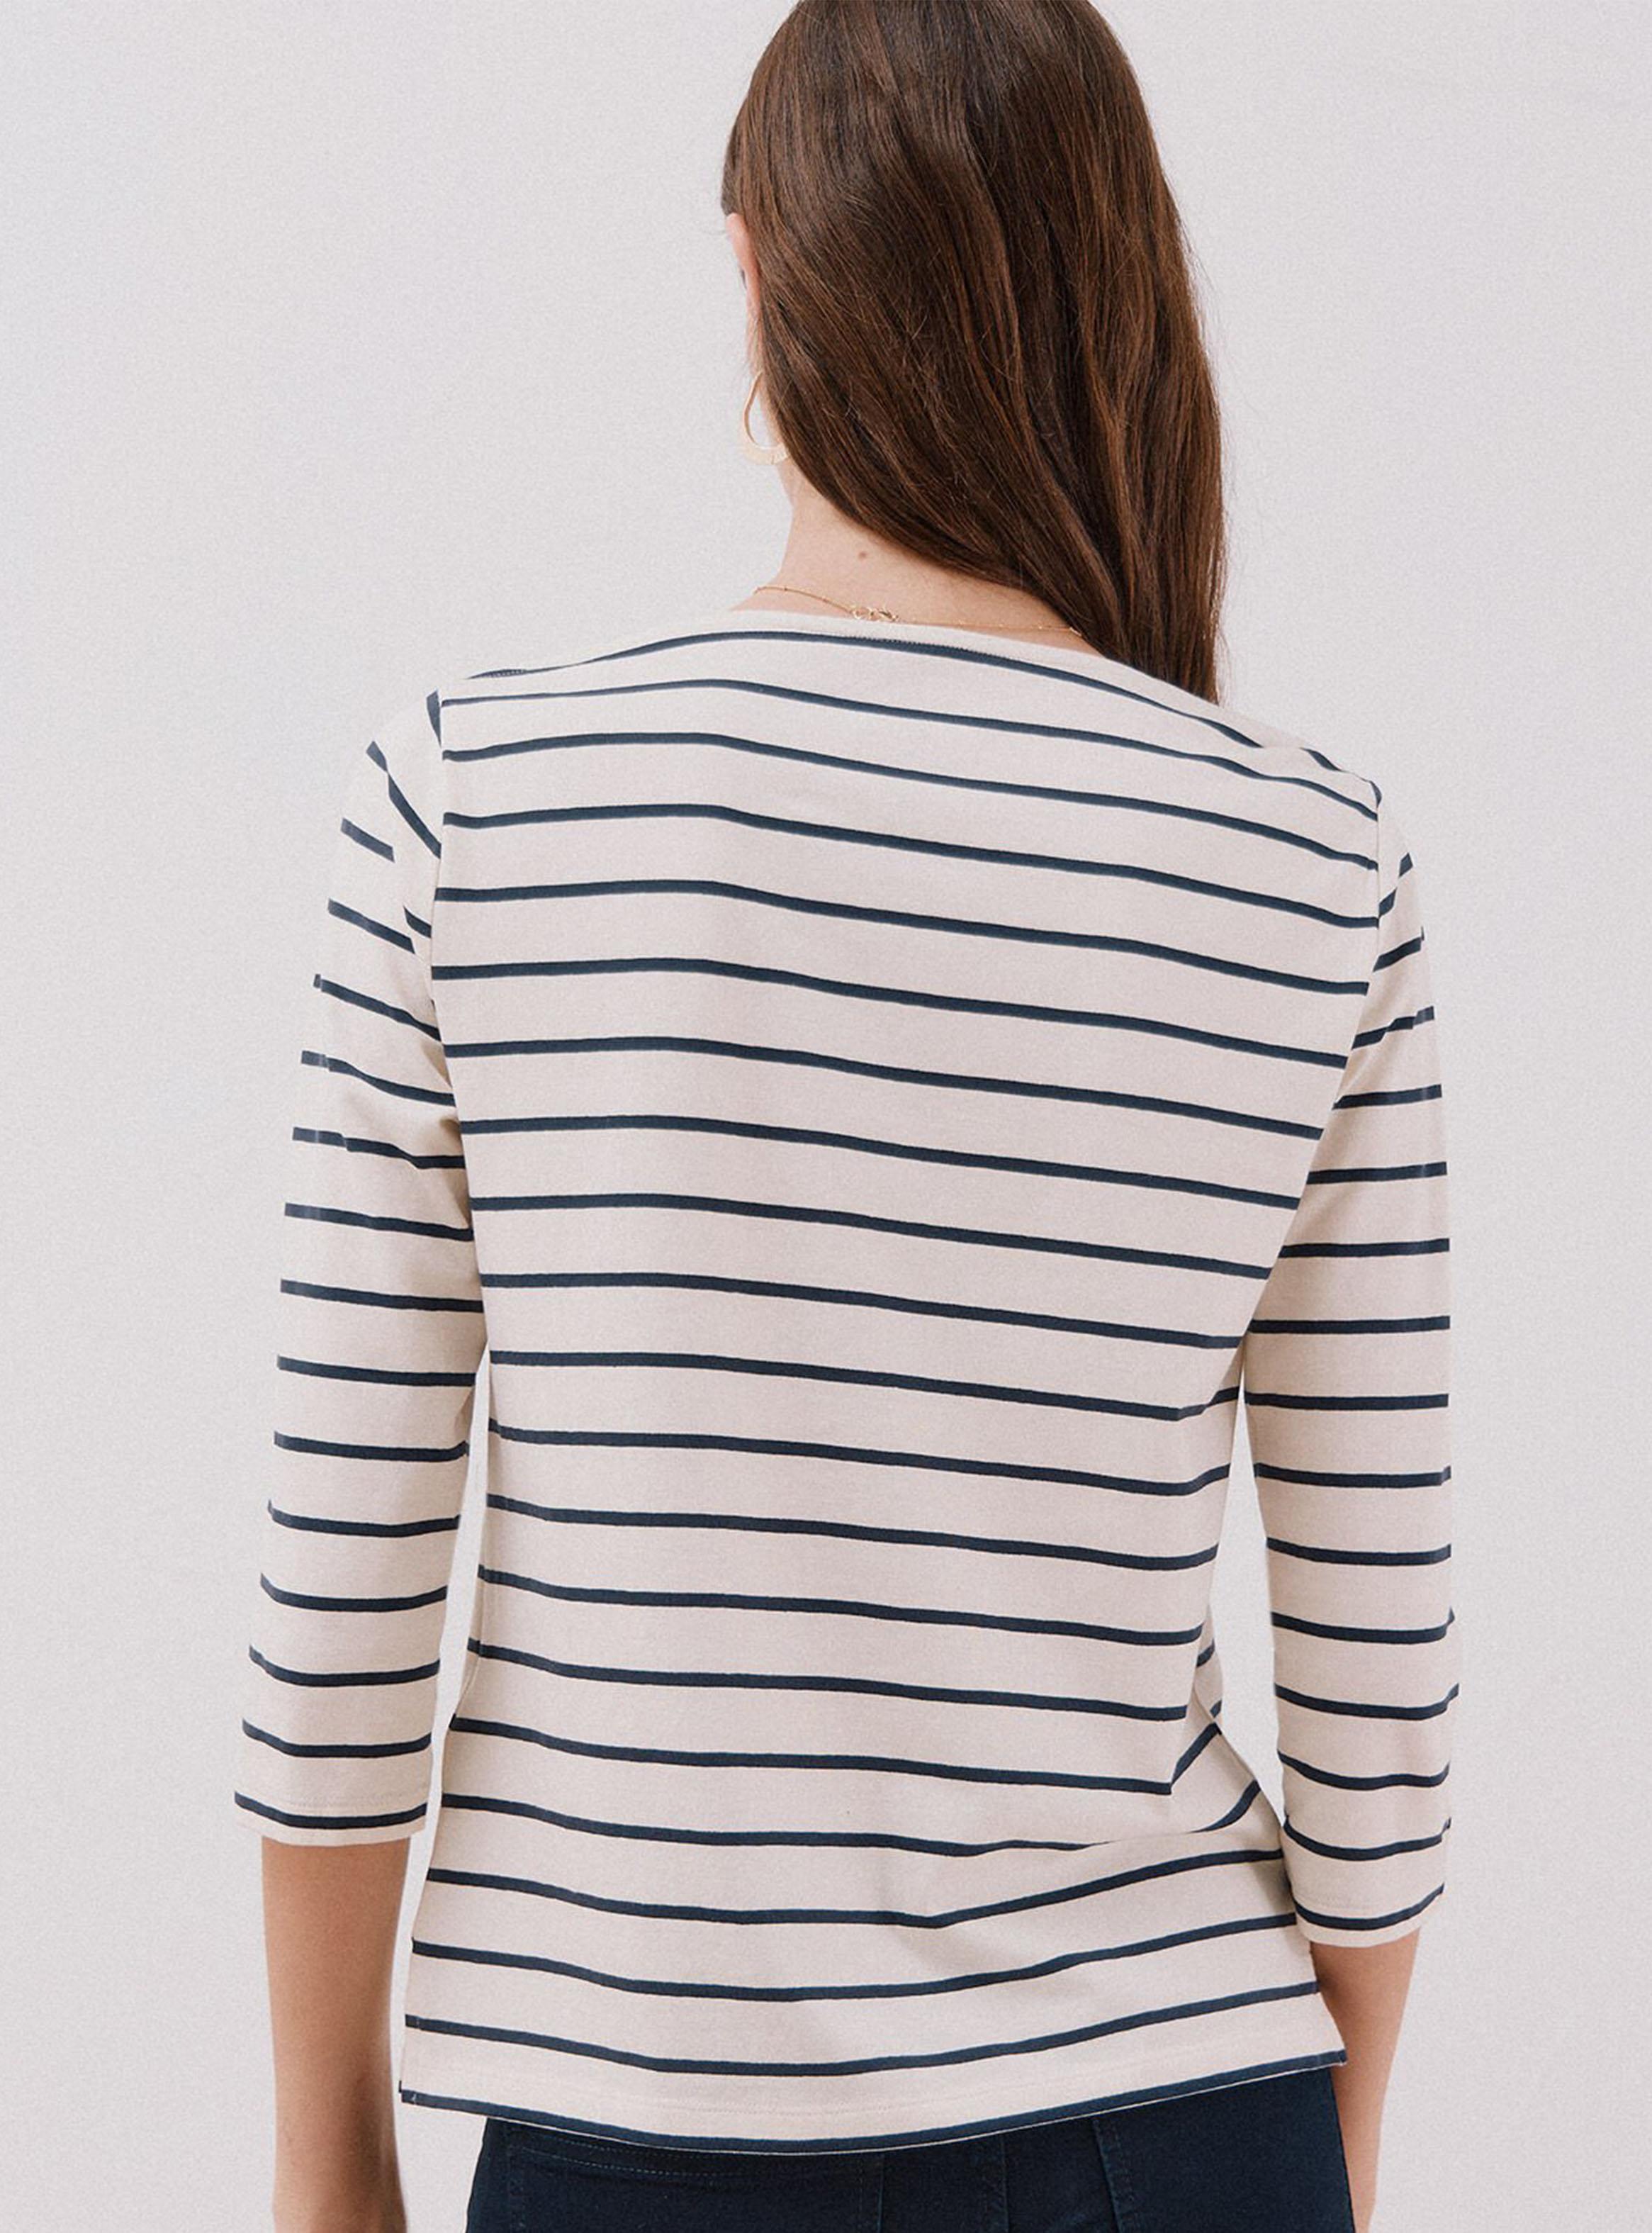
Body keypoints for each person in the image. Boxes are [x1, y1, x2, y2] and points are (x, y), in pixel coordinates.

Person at [237, 4, 1459, 2229]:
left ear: (752, 271)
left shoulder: (476, 801)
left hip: (635, 2129)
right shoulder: (1310, 858)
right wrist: (1327, 2151)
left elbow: (346, 1601)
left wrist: (331, 2171)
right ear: (1114, 296)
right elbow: (1375, 1675)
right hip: (1180, 2112)